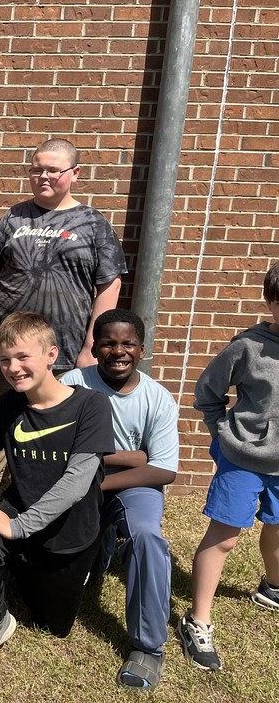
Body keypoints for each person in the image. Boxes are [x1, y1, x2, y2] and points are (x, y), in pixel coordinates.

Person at [0, 312, 113, 673]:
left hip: (70, 533)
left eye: (23, 357)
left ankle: (78, 562)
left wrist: (19, 527)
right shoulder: (11, 404)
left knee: (52, 626)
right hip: (22, 516)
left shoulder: (91, 406)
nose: (13, 367)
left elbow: (77, 482)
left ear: (51, 355)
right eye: (5, 359)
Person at [0, 139, 126, 502]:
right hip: (3, 346)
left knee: (50, 427)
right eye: (36, 169)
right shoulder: (13, 217)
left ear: (74, 174)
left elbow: (109, 283)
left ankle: (38, 498)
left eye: (53, 170)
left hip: (59, 351)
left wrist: (92, 345)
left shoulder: (93, 224)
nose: (43, 176)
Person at [61, 309, 178, 690]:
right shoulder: (73, 383)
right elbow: (56, 445)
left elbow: (161, 470)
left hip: (133, 485)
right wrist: (129, 454)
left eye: (128, 343)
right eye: (108, 342)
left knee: (145, 535)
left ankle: (148, 647)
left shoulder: (157, 398)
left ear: (142, 350)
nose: (118, 350)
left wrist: (98, 479)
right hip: (75, 478)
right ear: (94, 348)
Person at [180, 262, 279, 672]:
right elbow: (208, 392)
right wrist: (224, 435)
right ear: (272, 302)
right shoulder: (247, 348)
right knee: (225, 537)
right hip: (243, 458)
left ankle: (273, 587)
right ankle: (197, 619)